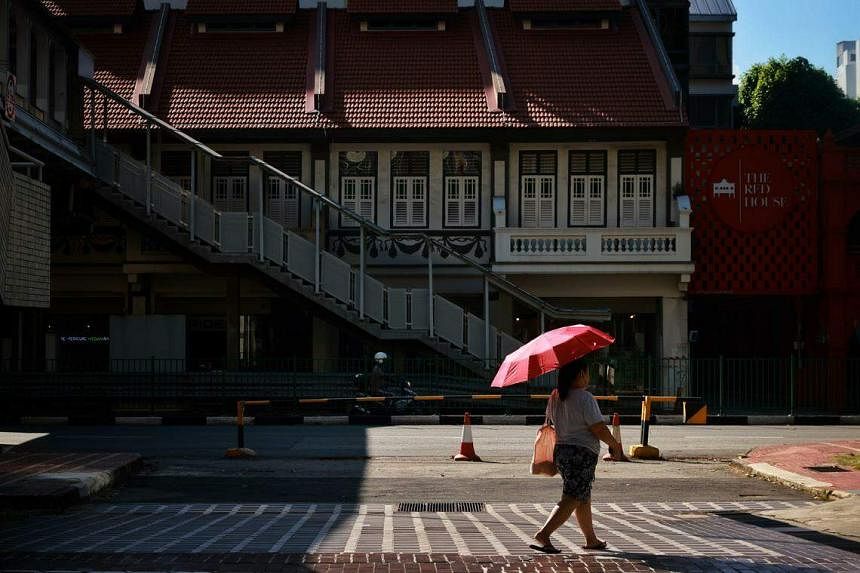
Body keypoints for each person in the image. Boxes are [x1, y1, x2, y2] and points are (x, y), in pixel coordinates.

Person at [531, 359, 623, 554]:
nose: (589, 377)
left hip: (562, 452)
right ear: (580, 374)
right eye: (587, 373)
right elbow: (597, 427)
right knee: (572, 497)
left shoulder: (555, 396)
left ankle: (591, 539)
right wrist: (614, 444)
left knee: (583, 495)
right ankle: (544, 533)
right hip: (581, 454)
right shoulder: (585, 398)